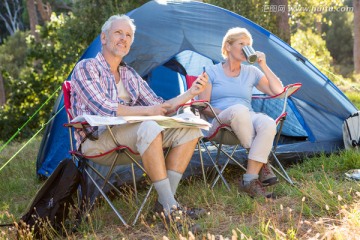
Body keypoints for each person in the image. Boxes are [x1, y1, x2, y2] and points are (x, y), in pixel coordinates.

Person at [70, 14, 208, 231]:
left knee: (191, 129)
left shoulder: (129, 73)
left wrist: (190, 93)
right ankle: (172, 211)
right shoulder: (87, 68)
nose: (124, 38)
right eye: (118, 33)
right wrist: (148, 112)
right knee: (150, 125)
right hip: (97, 140)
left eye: (128, 35)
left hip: (134, 136)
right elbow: (103, 107)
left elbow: (159, 105)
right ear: (104, 38)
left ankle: (164, 205)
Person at [198, 27, 284, 198]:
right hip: (220, 121)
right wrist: (231, 114)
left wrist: (263, 65)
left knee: (267, 122)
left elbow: (278, 91)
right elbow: (203, 106)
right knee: (239, 110)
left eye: (249, 45)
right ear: (228, 47)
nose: (246, 48)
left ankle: (250, 180)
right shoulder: (211, 71)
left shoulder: (251, 72)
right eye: (242, 43)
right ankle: (262, 161)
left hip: (247, 118)